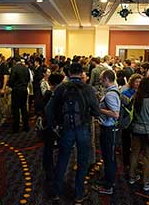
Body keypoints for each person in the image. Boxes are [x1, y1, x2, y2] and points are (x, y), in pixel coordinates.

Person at [47, 63, 100, 204]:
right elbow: (96, 111)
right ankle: (79, 193)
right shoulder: (88, 89)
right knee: (82, 161)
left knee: (62, 160)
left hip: (66, 129)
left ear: (69, 73)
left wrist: (54, 125)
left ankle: (56, 193)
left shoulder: (60, 88)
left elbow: (49, 109)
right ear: (82, 73)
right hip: (83, 129)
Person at [92, 69, 120, 195]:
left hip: (109, 129)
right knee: (109, 157)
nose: (100, 81)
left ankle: (108, 186)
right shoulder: (112, 91)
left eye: (102, 79)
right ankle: (109, 180)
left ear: (107, 79)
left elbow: (115, 114)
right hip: (109, 129)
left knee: (109, 158)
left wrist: (99, 109)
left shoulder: (110, 95)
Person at [8, 58, 30, 133]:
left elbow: (11, 80)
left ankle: (16, 128)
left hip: (16, 90)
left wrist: (11, 85)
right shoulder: (26, 68)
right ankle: (26, 126)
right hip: (24, 89)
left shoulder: (14, 68)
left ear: (14, 62)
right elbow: (28, 79)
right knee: (24, 108)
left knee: (16, 109)